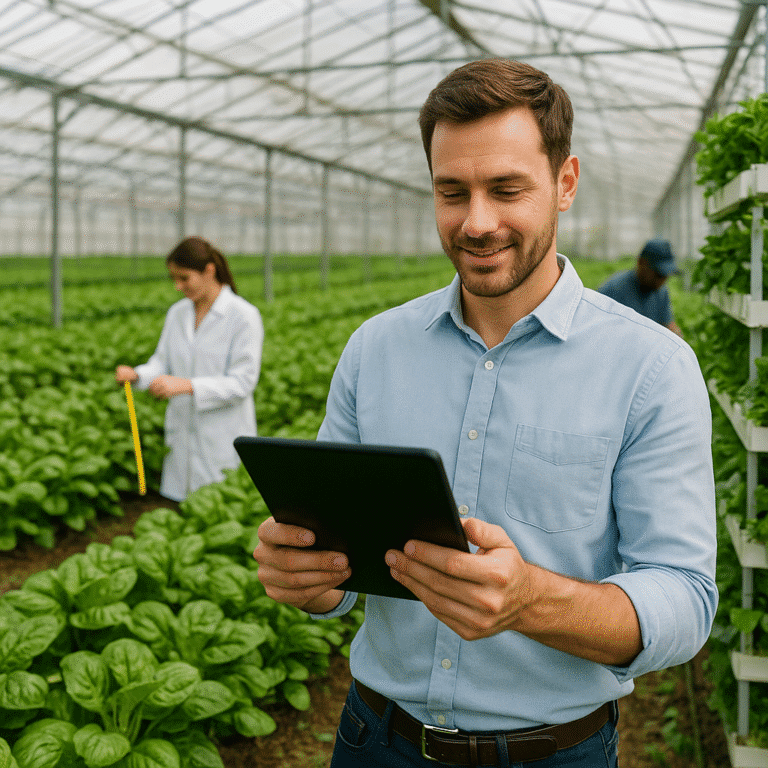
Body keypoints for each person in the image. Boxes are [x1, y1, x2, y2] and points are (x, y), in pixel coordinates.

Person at [253, 59, 717, 768]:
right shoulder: (375, 348)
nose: (476, 222)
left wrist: (531, 599)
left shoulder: (651, 368)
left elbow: (684, 600)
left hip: (553, 753)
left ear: (564, 184)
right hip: (375, 739)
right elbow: (341, 566)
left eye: (506, 190)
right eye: (452, 191)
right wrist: (310, 581)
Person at [116, 236, 264, 501]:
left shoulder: (243, 316)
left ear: (209, 270)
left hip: (221, 434)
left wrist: (188, 386)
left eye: (184, 278)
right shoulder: (178, 313)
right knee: (180, 504)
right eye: (174, 279)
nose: (178, 286)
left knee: (217, 504)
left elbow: (243, 382)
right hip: (182, 428)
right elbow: (162, 361)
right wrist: (138, 375)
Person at [598, 238, 683, 336]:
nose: (662, 281)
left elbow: (667, 323)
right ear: (641, 263)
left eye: (666, 276)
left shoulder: (661, 291)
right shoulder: (613, 290)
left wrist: (674, 334)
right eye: (658, 274)